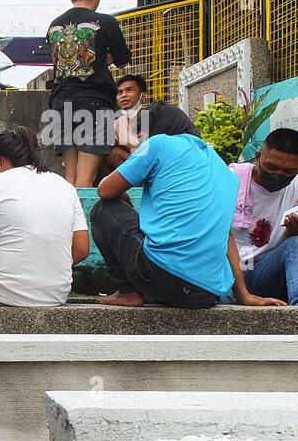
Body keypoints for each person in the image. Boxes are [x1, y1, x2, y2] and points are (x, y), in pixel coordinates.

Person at [93, 121, 285, 309]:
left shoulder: (160, 143)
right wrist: (244, 295)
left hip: (163, 276)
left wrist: (122, 193)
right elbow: (227, 236)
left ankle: (128, 292)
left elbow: (105, 191)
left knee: (104, 209)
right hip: (205, 295)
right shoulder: (225, 171)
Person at [0, 126, 90, 307]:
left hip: (2, 290)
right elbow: (81, 250)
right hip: (57, 294)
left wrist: (6, 277)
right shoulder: (65, 187)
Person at [45, 0, 131, 188]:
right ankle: (82, 223)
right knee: (86, 179)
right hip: (94, 102)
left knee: (70, 179)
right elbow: (122, 59)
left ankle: (65, 222)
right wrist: (105, 58)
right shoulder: (106, 22)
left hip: (60, 102)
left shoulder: (53, 26)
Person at [226, 127, 298, 306]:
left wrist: (293, 232)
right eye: (272, 167)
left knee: (295, 244)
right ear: (258, 157)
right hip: (227, 273)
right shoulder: (231, 179)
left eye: (288, 172)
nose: (278, 175)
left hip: (263, 272)